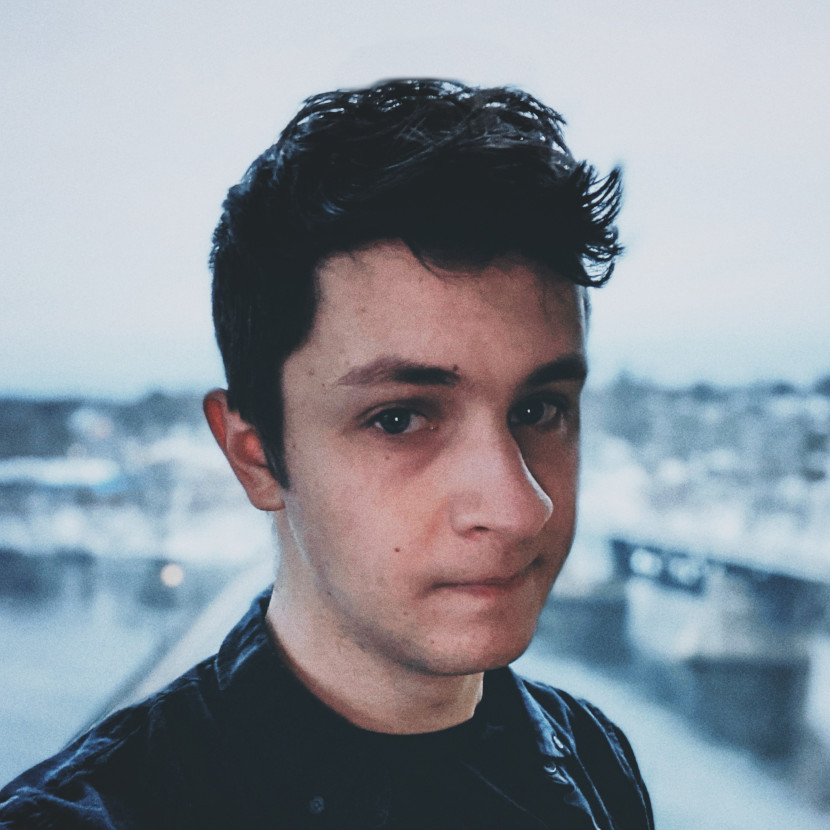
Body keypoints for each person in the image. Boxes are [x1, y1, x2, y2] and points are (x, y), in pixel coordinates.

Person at [0, 78, 653, 829]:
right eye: (400, 419)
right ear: (254, 455)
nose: (519, 507)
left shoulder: (596, 756)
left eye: (539, 410)